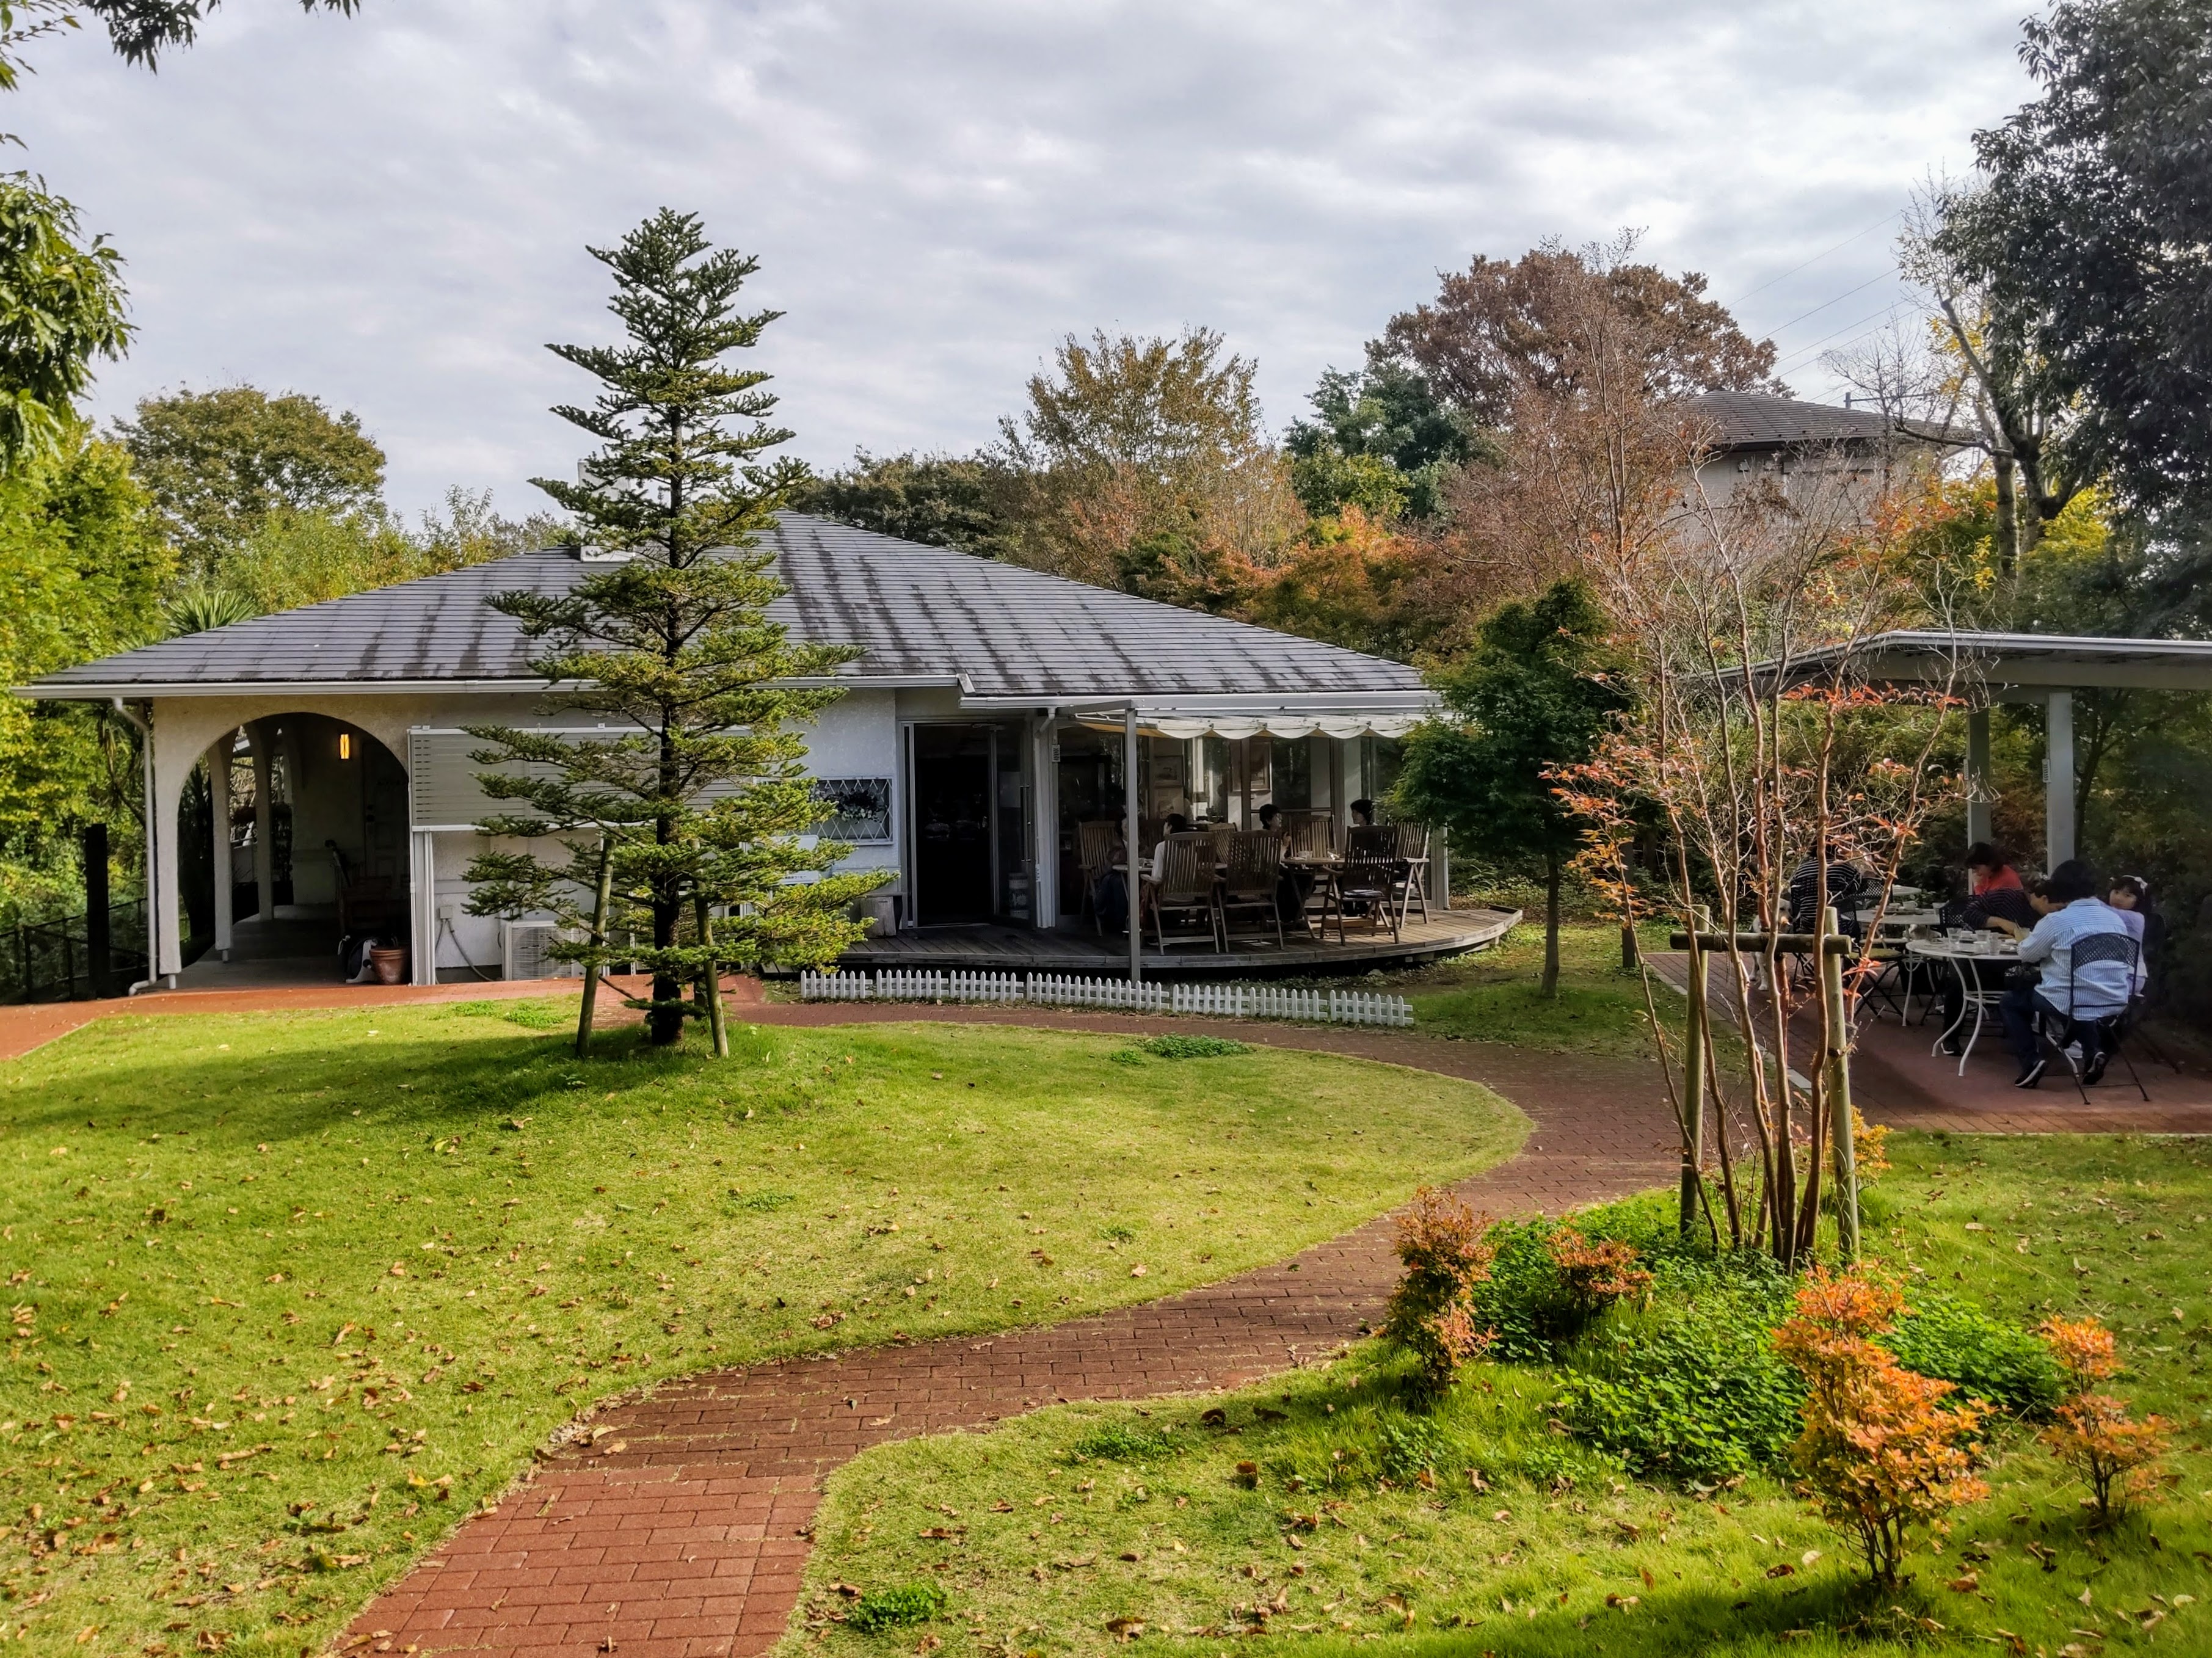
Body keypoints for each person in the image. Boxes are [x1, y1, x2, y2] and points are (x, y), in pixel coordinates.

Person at [1993, 859, 2134, 1088]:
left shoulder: (2057, 921)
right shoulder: (2114, 919)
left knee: (2011, 1002)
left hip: (2069, 998)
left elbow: (2027, 954)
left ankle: (2031, 1062)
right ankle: (2093, 1053)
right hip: (2114, 997)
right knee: (2081, 995)